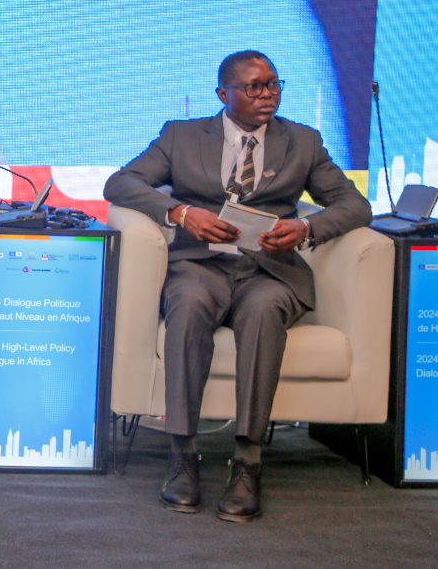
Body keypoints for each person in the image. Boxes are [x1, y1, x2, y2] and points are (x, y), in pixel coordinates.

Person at [103, 50, 371, 522]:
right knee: (187, 302)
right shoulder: (181, 136)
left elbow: (354, 205)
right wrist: (181, 213)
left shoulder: (303, 141)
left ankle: (248, 460)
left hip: (269, 270)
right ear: (223, 94)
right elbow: (121, 183)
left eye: (274, 84)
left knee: (264, 310)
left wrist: (306, 228)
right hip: (199, 265)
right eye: (254, 87)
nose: (268, 95)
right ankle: (182, 455)